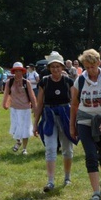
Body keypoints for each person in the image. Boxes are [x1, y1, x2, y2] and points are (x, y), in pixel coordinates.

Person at [70, 49, 101, 200]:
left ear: (98, 63)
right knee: (90, 155)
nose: (90, 70)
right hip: (84, 120)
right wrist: (72, 125)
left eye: (92, 66)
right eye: (87, 67)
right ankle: (96, 193)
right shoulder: (80, 80)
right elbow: (75, 105)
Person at [34, 51, 76, 192]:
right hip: (49, 116)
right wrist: (35, 124)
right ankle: (50, 181)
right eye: (53, 67)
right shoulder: (44, 82)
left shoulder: (69, 81)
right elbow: (39, 104)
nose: (55, 69)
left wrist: (75, 122)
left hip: (66, 116)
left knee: (67, 150)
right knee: (50, 149)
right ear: (49, 68)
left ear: (62, 67)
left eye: (58, 66)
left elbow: (75, 102)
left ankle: (67, 177)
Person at [2, 62, 36, 155]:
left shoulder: (26, 82)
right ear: (14, 72)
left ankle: (24, 148)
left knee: (25, 128)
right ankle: (18, 141)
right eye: (16, 71)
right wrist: (4, 104)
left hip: (25, 108)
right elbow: (6, 93)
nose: (18, 73)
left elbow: (32, 96)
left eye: (19, 71)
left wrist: (35, 108)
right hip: (14, 108)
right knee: (15, 127)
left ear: (22, 72)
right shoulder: (10, 82)